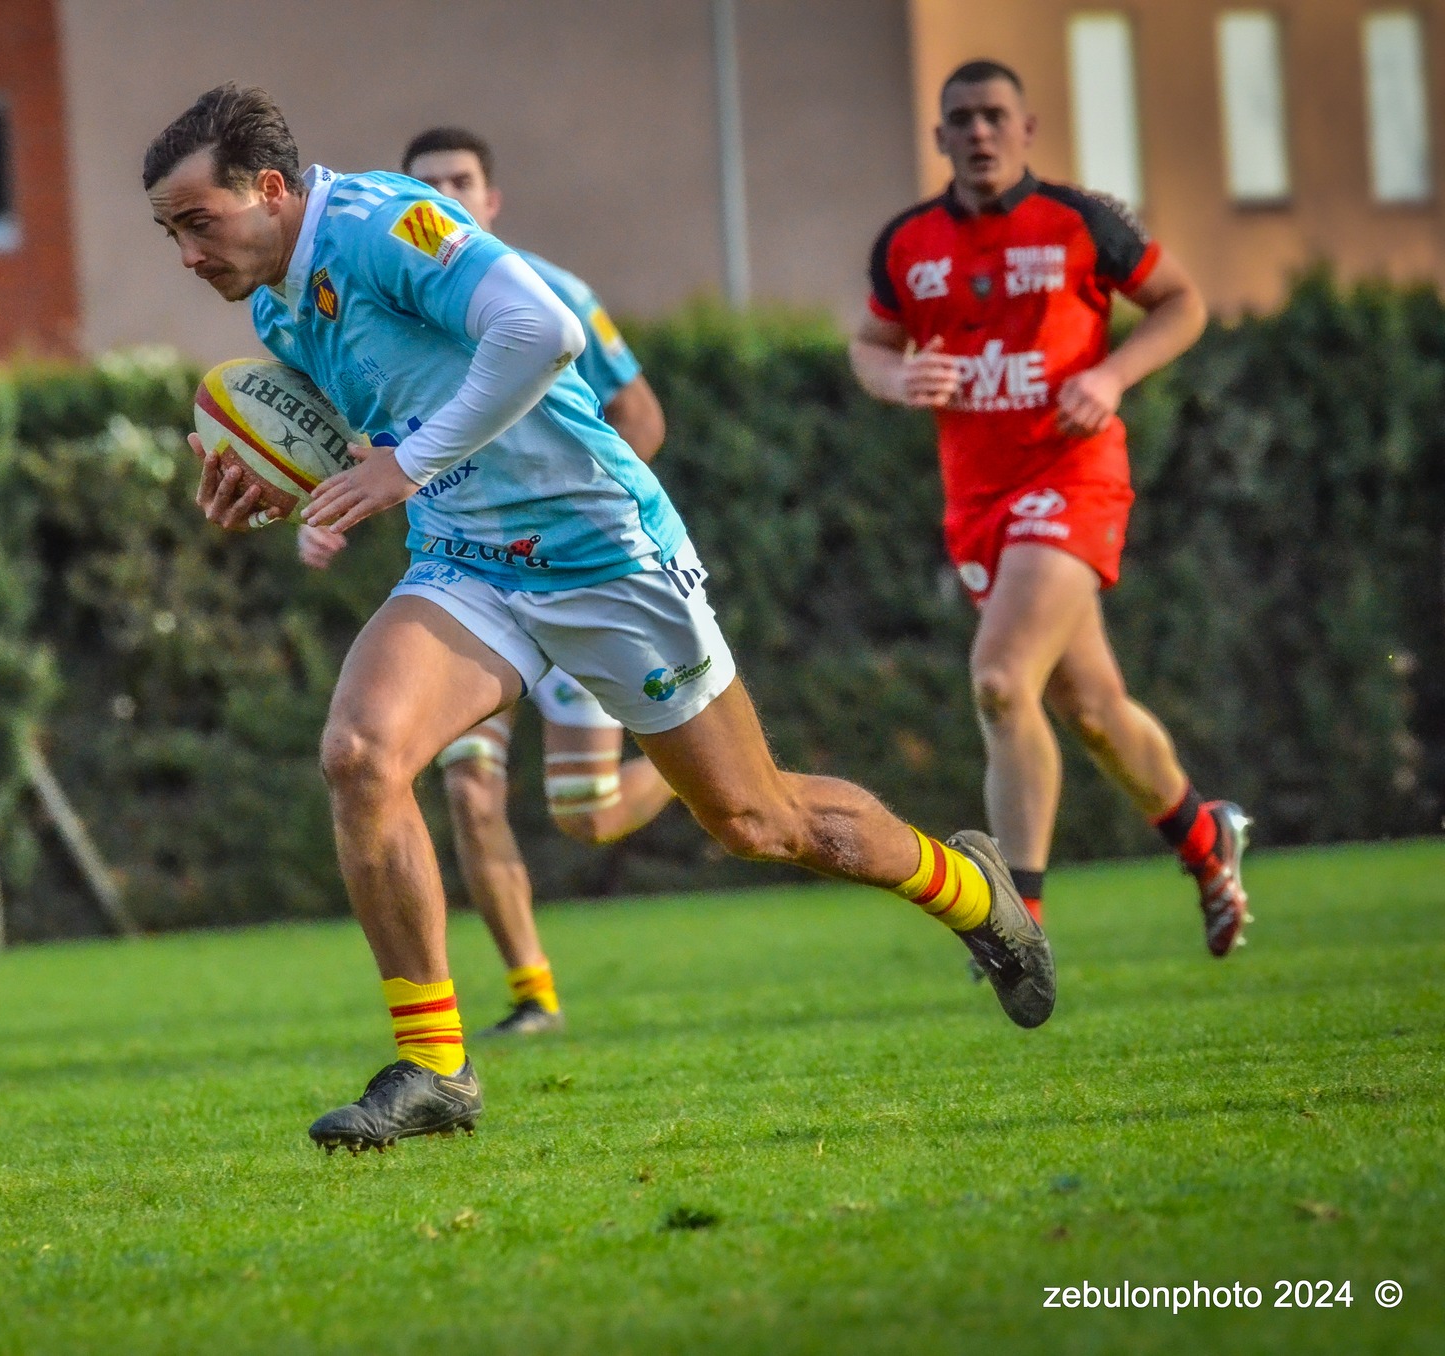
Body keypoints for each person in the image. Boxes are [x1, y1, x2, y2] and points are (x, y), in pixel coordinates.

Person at [145, 83, 1054, 1154]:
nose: (187, 254)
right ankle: (436, 1065)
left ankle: (969, 891)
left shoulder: (383, 222)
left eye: (196, 223)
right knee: (359, 751)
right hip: (467, 561)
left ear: (266, 190)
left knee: (757, 822)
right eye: (168, 233)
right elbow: (355, 431)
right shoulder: (273, 306)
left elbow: (542, 331)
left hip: (602, 555)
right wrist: (276, 483)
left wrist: (407, 464)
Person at [849, 60, 1251, 958]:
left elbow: (1181, 303)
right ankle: (1203, 836)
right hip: (978, 501)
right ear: (940, 137)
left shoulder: (1082, 221)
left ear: (1027, 128)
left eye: (996, 116)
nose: (981, 132)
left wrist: (1110, 375)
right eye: (963, 118)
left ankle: (1017, 919)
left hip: (1073, 480)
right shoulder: (907, 243)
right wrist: (898, 376)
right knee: (1094, 707)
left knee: (999, 680)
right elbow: (869, 347)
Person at [295, 125, 675, 1039]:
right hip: (468, 582)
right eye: (427, 185)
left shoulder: (553, 293)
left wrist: (582, 501)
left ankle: (680, 764)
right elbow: (362, 442)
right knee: (464, 788)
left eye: (461, 182)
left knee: (585, 813)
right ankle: (531, 993)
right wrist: (322, 503)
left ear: (491, 199)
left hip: (576, 566)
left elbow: (640, 416)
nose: (445, 198)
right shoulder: (363, 300)